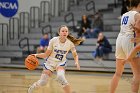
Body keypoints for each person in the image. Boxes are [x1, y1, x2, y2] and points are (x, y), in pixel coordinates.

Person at [28, 25, 83, 93]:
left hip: (60, 63)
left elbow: (75, 55)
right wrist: (35, 55)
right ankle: (33, 86)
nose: (64, 32)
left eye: (66, 31)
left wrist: (76, 62)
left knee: (60, 76)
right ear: (59, 32)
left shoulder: (70, 43)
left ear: (68, 33)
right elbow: (46, 55)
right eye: (63, 31)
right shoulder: (53, 40)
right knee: (43, 82)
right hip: (50, 62)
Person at [109, 0, 140, 93]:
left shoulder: (124, 15)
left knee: (118, 73)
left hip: (120, 39)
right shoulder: (137, 15)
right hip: (129, 39)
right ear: (138, 4)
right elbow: (138, 29)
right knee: (137, 74)